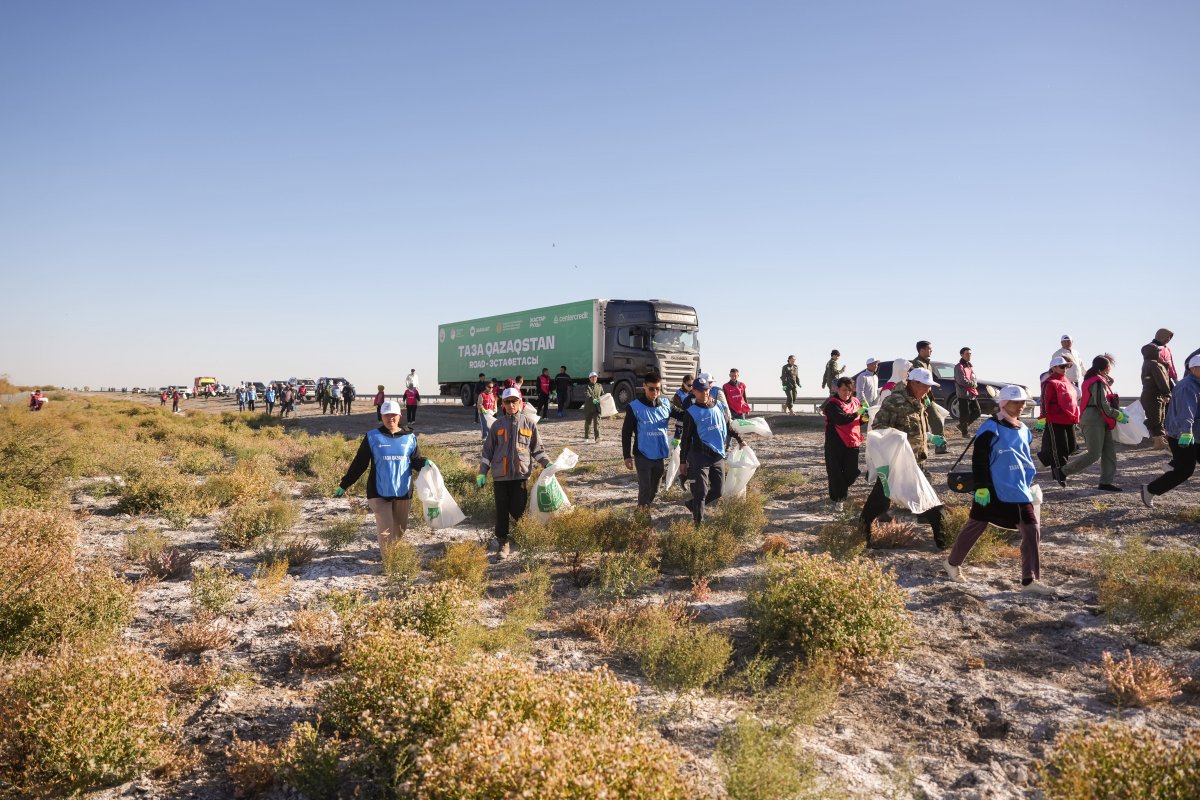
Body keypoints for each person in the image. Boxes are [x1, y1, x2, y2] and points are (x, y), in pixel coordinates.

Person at [944, 385, 1053, 595]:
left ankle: (1029, 580)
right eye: (1016, 402)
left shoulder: (1024, 429)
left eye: (1023, 402)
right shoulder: (990, 428)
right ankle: (952, 563)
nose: (1021, 406)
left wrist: (1028, 482)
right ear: (1003, 403)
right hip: (993, 489)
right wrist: (982, 487)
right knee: (975, 527)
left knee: (1031, 530)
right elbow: (979, 461)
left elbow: (1024, 458)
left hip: (1018, 489)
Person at [861, 367, 946, 547]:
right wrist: (898, 439)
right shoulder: (895, 401)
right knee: (881, 503)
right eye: (925, 386)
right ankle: (862, 534)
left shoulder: (919, 401)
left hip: (916, 461)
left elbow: (917, 428)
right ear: (914, 383)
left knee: (925, 501)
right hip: (897, 463)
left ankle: (943, 541)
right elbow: (878, 428)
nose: (928, 389)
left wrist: (930, 437)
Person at [335, 400, 428, 554]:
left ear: (400, 416)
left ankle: (393, 554)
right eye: (386, 415)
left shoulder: (410, 437)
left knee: (399, 529)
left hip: (403, 491)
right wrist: (345, 484)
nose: (390, 418)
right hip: (378, 492)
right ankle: (389, 562)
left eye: (393, 415)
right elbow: (360, 463)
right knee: (386, 529)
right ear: (381, 416)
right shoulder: (372, 437)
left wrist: (426, 463)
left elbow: (415, 461)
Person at [477, 387, 550, 558]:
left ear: (520, 403)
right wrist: (482, 473)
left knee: (518, 510)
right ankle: (503, 543)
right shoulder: (497, 425)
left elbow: (537, 449)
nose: (511, 405)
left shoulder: (529, 423)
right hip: (500, 476)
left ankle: (522, 536)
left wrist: (548, 464)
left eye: (514, 401)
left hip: (520, 475)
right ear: (503, 404)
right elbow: (487, 451)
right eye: (507, 402)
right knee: (501, 510)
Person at [678, 375, 745, 525]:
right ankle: (698, 524)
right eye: (701, 391)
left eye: (707, 390)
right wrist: (683, 462)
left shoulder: (719, 406)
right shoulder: (691, 412)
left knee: (718, 491)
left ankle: (692, 504)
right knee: (700, 491)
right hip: (699, 456)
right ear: (694, 391)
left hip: (717, 456)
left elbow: (728, 427)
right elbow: (686, 439)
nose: (705, 393)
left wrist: (741, 440)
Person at [1057, 354, 1129, 491]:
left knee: (1109, 453)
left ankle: (1105, 482)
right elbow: (1101, 404)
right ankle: (1063, 471)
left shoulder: (1096, 379)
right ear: (1107, 368)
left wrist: (1116, 411)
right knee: (1094, 454)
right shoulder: (1097, 381)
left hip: (1101, 419)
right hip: (1094, 419)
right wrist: (1117, 414)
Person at [1142, 354, 1200, 508]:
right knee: (1185, 471)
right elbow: (1185, 411)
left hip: (1196, 434)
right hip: (1183, 434)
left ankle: (1173, 463)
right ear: (1193, 368)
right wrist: (1186, 432)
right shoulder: (1188, 386)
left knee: (1183, 466)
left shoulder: (1197, 383)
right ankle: (1150, 489)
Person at [622, 370, 677, 510]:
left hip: (659, 455)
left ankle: (641, 510)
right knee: (645, 488)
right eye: (651, 389)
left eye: (657, 389)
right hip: (642, 454)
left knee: (655, 489)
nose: (655, 392)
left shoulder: (666, 404)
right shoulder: (634, 407)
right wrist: (627, 456)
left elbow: (684, 415)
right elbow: (626, 433)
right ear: (644, 386)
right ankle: (643, 520)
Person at [820, 377, 865, 511]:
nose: (847, 393)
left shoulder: (856, 402)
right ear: (837, 389)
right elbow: (841, 420)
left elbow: (860, 421)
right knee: (835, 472)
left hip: (852, 441)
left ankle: (840, 488)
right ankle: (839, 499)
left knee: (852, 472)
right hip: (835, 443)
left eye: (849, 390)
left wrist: (865, 415)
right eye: (844, 390)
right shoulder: (832, 404)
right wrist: (858, 413)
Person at [1036, 356, 1080, 469]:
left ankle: (1044, 458)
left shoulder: (1067, 382)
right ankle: (1060, 473)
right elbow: (1044, 401)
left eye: (1066, 366)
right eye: (1062, 366)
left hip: (1068, 419)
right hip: (1054, 419)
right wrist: (1042, 419)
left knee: (1071, 447)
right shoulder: (1049, 383)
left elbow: (1073, 400)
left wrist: (1075, 416)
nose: (1064, 369)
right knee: (1060, 449)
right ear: (1054, 368)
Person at [911, 340, 947, 453]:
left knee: (935, 421)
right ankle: (935, 446)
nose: (931, 350)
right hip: (921, 397)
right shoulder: (917, 364)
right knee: (933, 421)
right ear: (921, 350)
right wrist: (924, 397)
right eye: (929, 349)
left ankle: (939, 446)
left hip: (927, 397)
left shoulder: (928, 364)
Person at [1141, 341, 1172, 449]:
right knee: (1156, 419)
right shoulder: (1153, 364)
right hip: (1153, 396)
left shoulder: (1148, 363)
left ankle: (1159, 441)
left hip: (1152, 396)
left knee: (1159, 418)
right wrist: (1167, 393)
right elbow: (1161, 380)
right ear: (1152, 353)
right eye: (1157, 351)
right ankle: (1138, 429)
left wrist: (1165, 364)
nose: (1159, 353)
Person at [954, 347, 982, 437]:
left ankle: (962, 426)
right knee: (964, 414)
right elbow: (961, 380)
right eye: (967, 354)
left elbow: (974, 378)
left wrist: (975, 383)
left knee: (977, 412)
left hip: (972, 393)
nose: (969, 355)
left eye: (970, 354)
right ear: (962, 355)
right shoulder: (959, 366)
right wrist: (972, 384)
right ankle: (964, 433)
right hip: (963, 394)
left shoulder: (970, 366)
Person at [583, 371, 603, 442]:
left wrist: (606, 399)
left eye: (595, 377)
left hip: (597, 408)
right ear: (590, 378)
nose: (594, 378)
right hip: (589, 408)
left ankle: (597, 438)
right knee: (588, 423)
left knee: (596, 423)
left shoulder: (599, 386)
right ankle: (586, 437)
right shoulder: (587, 386)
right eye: (592, 377)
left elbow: (602, 395)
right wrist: (592, 399)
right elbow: (587, 394)